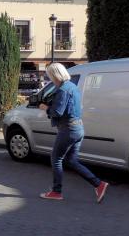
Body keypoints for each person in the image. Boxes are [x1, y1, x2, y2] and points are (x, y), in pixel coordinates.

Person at [39, 62, 108, 202]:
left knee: (56, 159)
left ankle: (56, 192)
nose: (50, 78)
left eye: (50, 75)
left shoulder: (63, 90)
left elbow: (57, 112)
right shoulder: (73, 87)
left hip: (68, 130)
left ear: (55, 75)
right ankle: (99, 184)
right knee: (71, 160)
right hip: (78, 128)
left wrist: (45, 108)